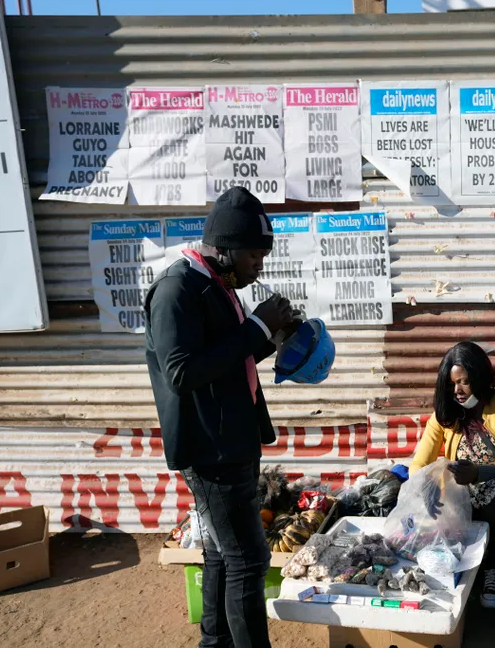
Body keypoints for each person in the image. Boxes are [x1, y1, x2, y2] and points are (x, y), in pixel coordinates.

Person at [144, 186, 299, 648]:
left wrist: (274, 334)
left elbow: (229, 361)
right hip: (210, 449)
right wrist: (256, 327)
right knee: (249, 559)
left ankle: (215, 642)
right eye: (254, 254)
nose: (260, 264)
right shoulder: (178, 288)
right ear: (226, 247)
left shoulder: (216, 284)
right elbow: (181, 371)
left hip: (232, 440)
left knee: (220, 554)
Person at [409, 341, 495, 609]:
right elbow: (418, 464)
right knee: (436, 493)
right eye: (451, 384)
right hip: (464, 497)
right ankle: (456, 570)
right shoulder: (445, 415)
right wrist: (426, 484)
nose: (457, 391)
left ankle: (493, 570)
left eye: (464, 382)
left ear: (480, 378)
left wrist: (479, 473)